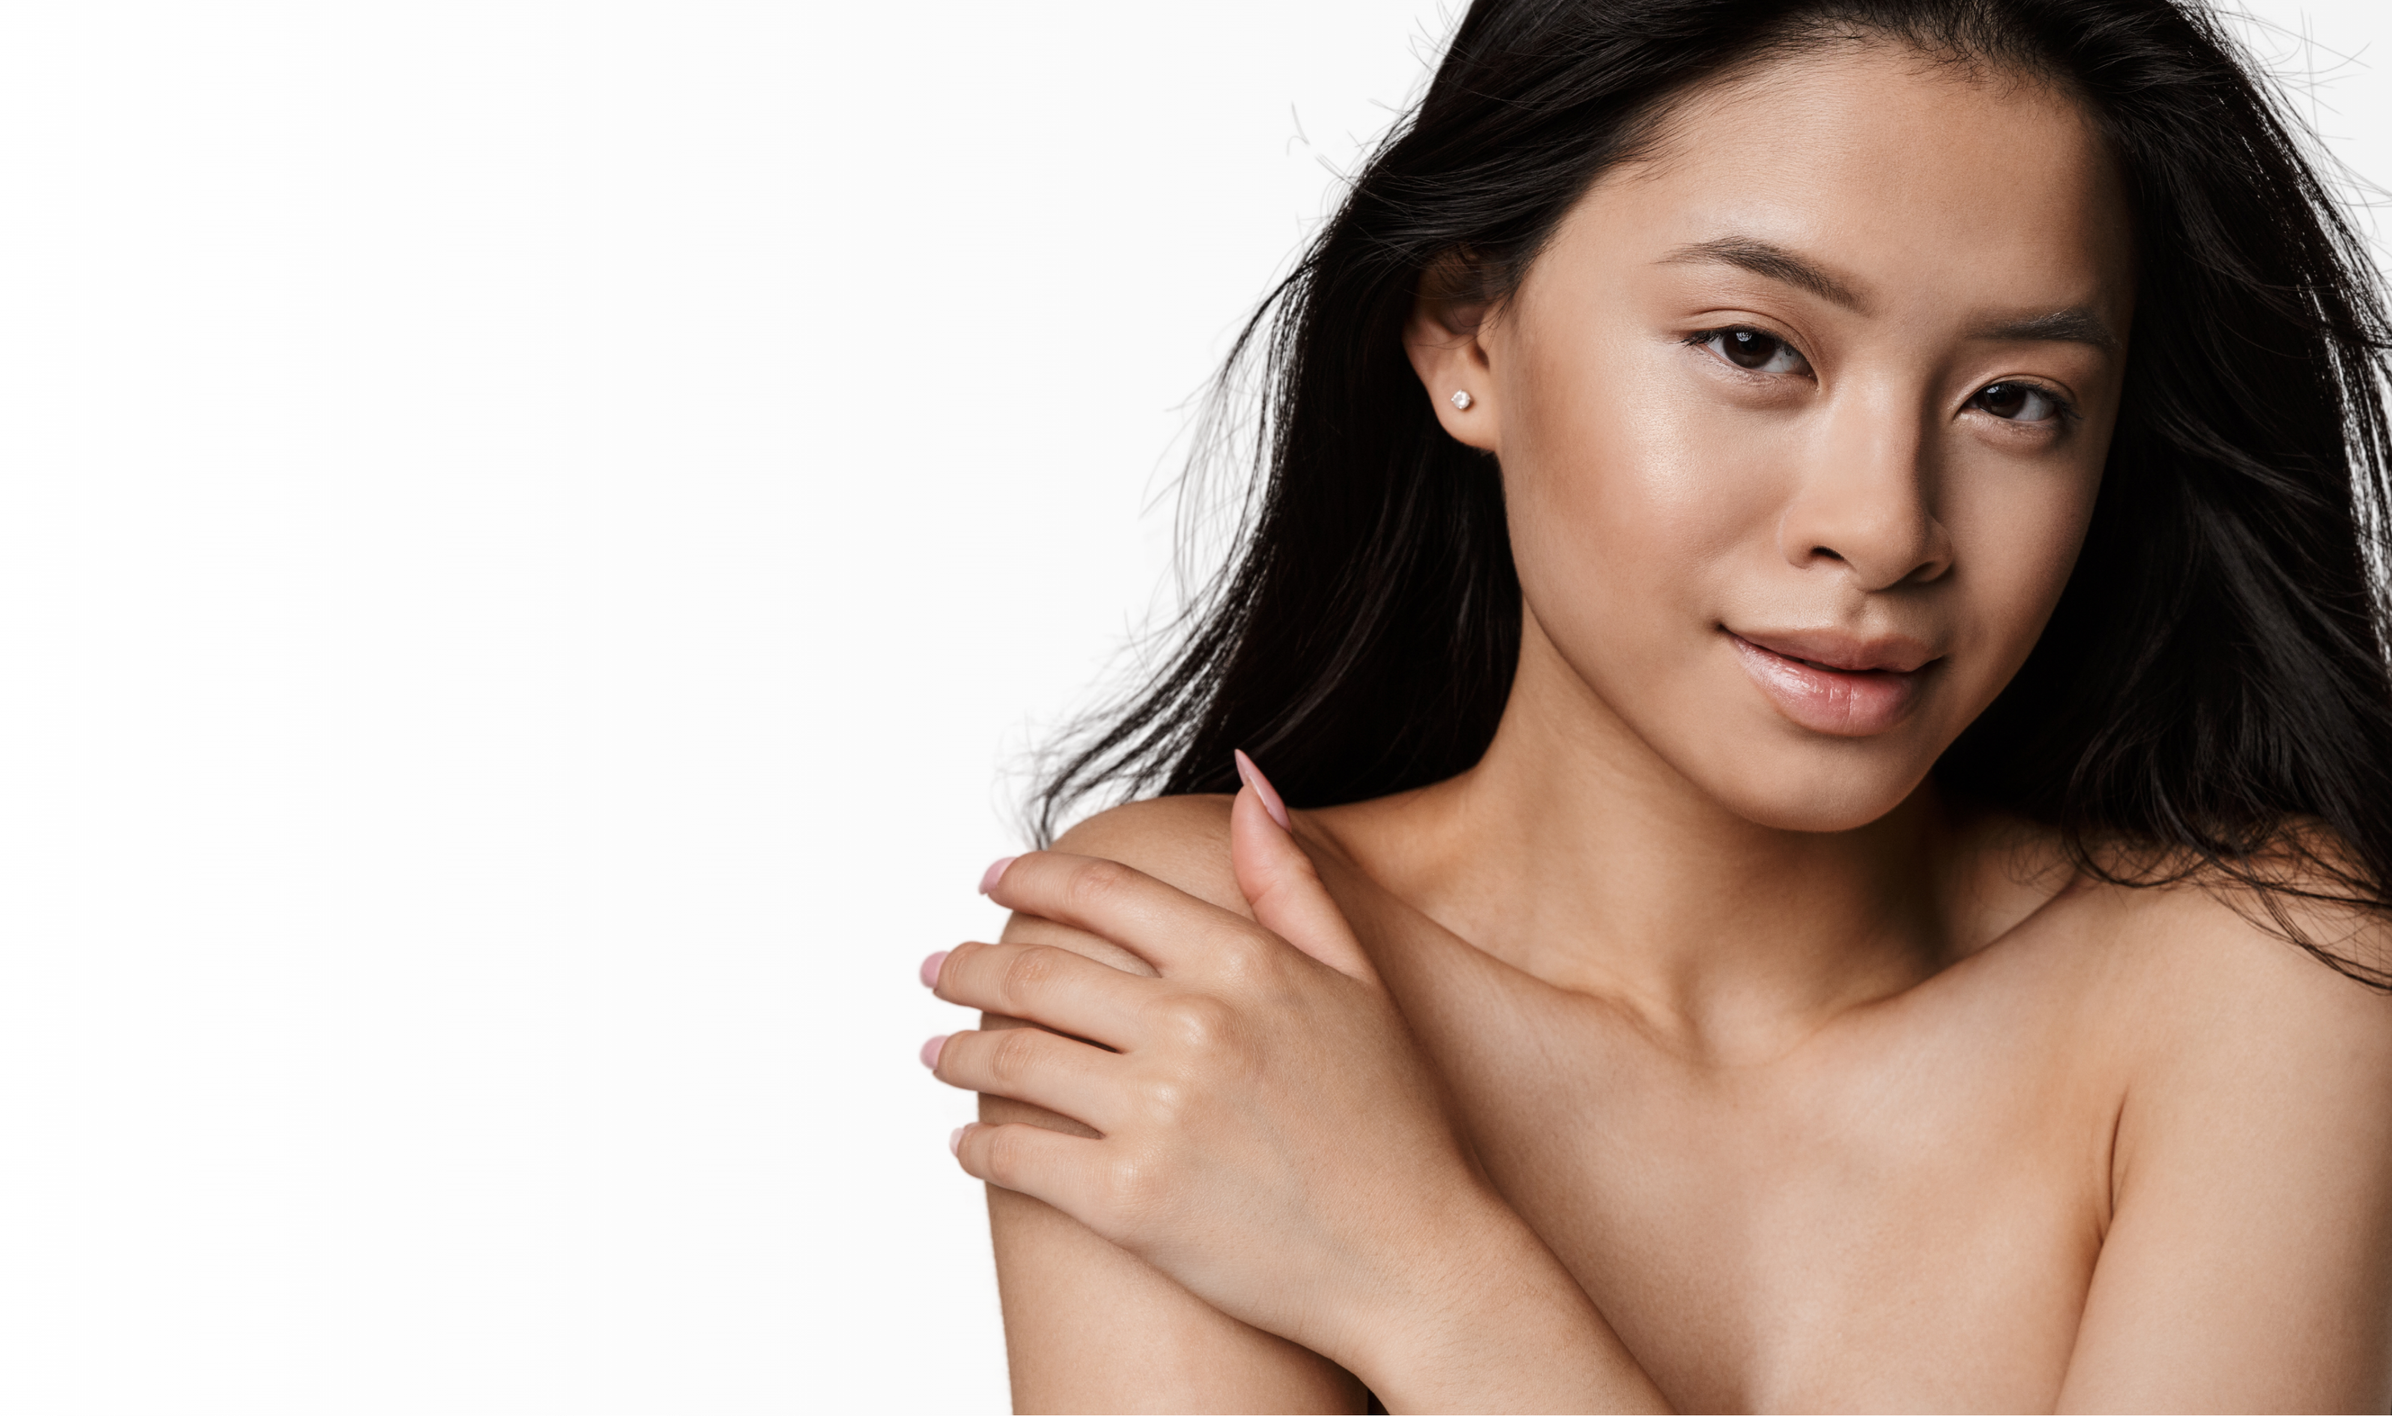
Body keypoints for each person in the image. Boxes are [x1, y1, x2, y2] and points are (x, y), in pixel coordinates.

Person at [917, 1, 2392, 1408]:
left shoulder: (2264, 983)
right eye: (1754, 347)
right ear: (1467, 336)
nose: (1885, 529)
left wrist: (1426, 1275)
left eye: (2015, 399)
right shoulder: (1208, 968)